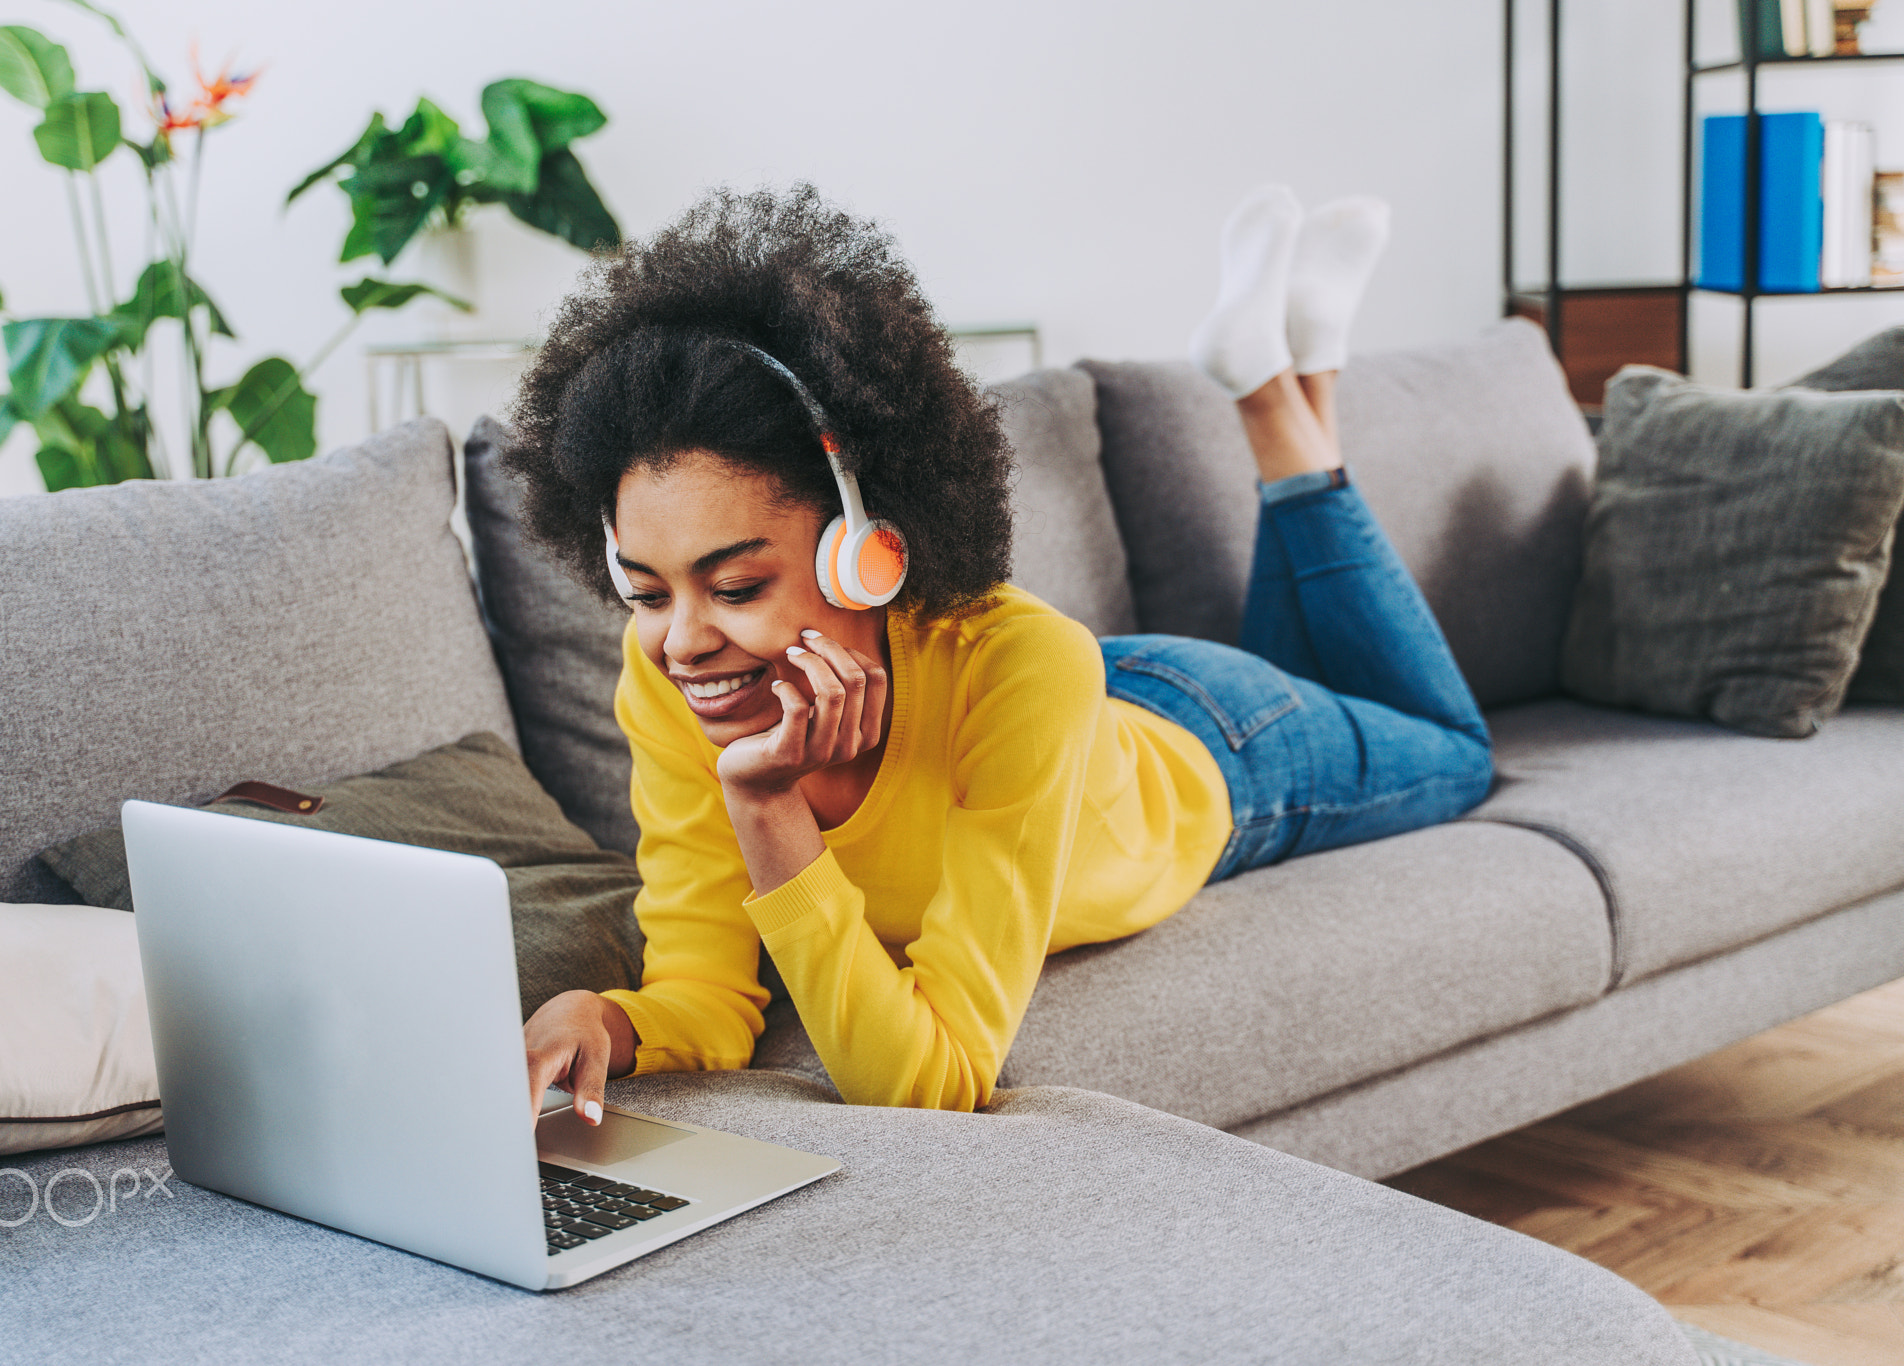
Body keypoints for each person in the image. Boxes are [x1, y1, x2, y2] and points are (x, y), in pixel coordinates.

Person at [500, 183, 1492, 1125]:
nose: (681, 642)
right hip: (1083, 710)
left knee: (1455, 751)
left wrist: (763, 807)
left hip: (1213, 748)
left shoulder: (1021, 667)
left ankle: (1275, 404)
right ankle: (1299, 367)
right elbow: (706, 1000)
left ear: (864, 551)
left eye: (736, 586)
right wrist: (606, 1018)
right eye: (644, 591)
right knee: (1337, 680)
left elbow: (935, 1082)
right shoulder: (671, 674)